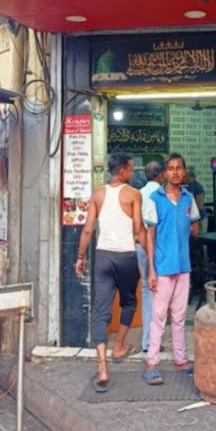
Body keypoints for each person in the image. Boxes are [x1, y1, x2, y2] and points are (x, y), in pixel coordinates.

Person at [74, 153, 144, 391]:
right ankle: (120, 346)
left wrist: (81, 257)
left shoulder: (98, 195)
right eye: (131, 169)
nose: (132, 173)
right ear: (123, 170)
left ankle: (102, 367)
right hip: (126, 256)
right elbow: (138, 228)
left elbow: (87, 230)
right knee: (129, 302)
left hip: (102, 256)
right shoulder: (134, 194)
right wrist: (151, 258)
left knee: (100, 312)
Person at [141, 153, 198, 385]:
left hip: (183, 266)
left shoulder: (188, 198)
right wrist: (152, 270)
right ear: (164, 173)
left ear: (184, 172)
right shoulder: (155, 198)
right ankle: (152, 363)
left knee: (180, 316)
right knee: (158, 317)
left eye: (179, 168)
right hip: (163, 268)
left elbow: (195, 226)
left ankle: (181, 359)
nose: (175, 172)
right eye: (171, 168)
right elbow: (150, 235)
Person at [135, 160, 164, 355]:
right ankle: (154, 340)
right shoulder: (160, 195)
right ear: (161, 175)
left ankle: (147, 340)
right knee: (160, 292)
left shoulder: (138, 194)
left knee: (147, 291)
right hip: (157, 247)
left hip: (139, 246)